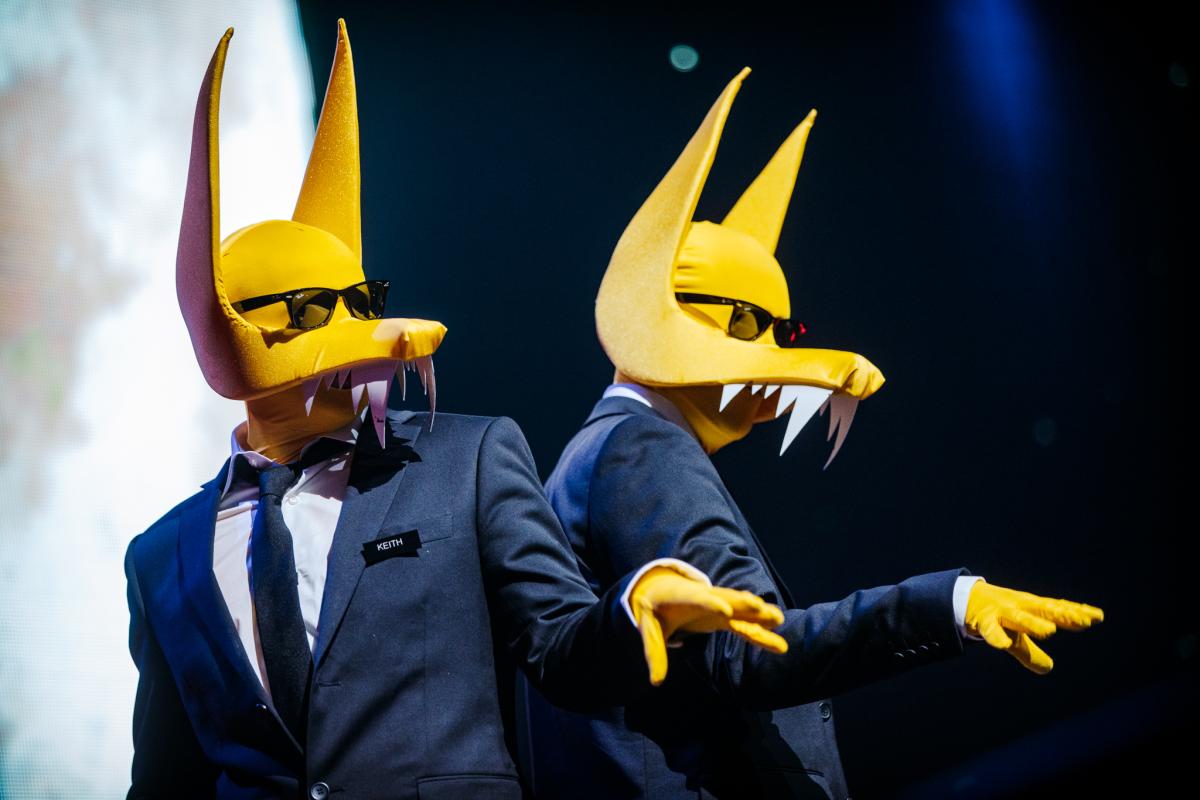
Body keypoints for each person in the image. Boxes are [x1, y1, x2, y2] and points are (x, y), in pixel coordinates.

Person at [124, 25, 788, 799]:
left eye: (362, 301)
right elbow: (166, 776)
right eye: (311, 308)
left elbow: (560, 645)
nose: (361, 328)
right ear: (220, 325)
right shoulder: (161, 554)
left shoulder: (464, 462)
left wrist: (633, 611)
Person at [518, 68, 1103, 800]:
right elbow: (750, 649)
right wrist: (946, 605)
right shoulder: (641, 447)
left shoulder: (598, 452)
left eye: (786, 334)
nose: (775, 357)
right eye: (753, 326)